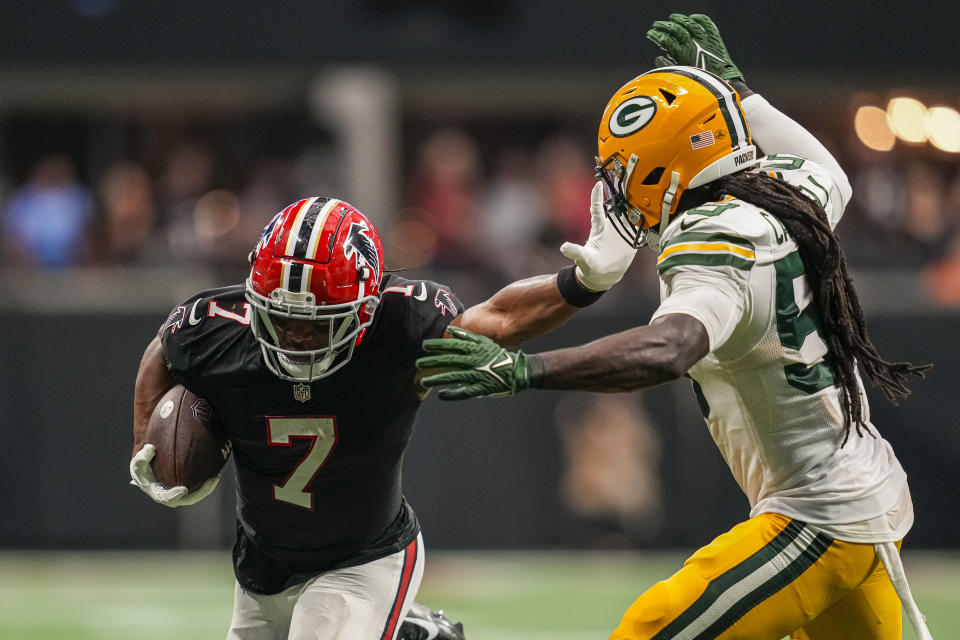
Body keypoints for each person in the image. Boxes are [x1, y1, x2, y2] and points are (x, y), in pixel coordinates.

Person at [416, 14, 935, 640]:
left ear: (658, 169)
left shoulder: (710, 237)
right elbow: (826, 167)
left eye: (622, 167)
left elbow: (670, 347)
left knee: (647, 629)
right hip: (868, 494)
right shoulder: (786, 193)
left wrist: (527, 369)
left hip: (817, 517)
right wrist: (739, 95)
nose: (614, 185)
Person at [129, 194, 635, 639]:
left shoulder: (403, 322)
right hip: (261, 562)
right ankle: (411, 632)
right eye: (283, 319)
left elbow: (499, 319)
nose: (297, 338)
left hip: (364, 557)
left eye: (317, 324)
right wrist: (144, 444)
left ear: (366, 308)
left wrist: (585, 281)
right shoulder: (213, 328)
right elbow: (162, 351)